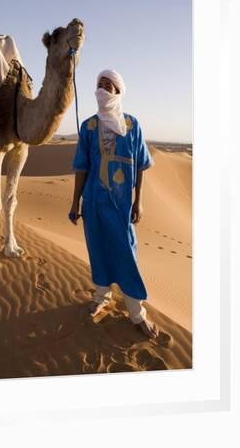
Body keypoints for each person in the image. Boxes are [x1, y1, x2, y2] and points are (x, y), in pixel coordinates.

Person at [69, 69, 159, 339]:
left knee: (126, 254)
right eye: (99, 84)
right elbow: (81, 168)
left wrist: (139, 200)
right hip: (94, 202)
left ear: (118, 92)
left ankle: (136, 312)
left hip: (121, 205)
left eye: (109, 86)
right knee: (98, 250)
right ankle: (102, 296)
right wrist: (75, 203)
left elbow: (142, 165)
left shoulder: (132, 124)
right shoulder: (88, 126)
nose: (103, 90)